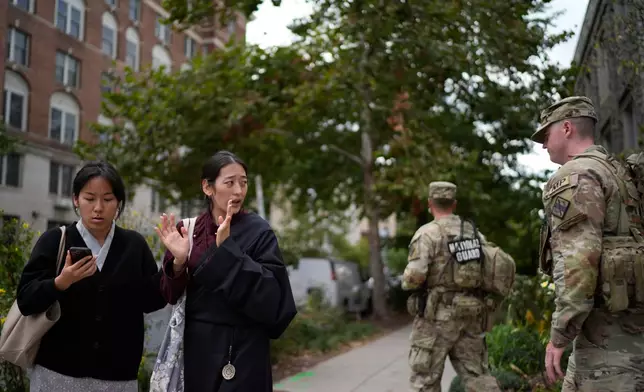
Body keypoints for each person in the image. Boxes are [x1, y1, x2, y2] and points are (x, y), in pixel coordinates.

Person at [16, 161, 167, 392]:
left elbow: (152, 300)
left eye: (107, 199)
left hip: (117, 376)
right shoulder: (56, 240)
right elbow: (26, 300)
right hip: (57, 374)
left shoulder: (134, 245)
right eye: (89, 198)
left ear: (118, 202)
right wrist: (60, 283)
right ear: (76, 199)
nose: (98, 207)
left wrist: (175, 264)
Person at [157, 150, 297, 392]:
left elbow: (274, 299)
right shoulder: (187, 231)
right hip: (198, 351)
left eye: (243, 183)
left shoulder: (259, 232)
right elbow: (168, 295)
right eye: (230, 183)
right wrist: (178, 262)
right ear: (207, 187)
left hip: (246, 351)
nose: (238, 191)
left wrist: (227, 250)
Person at [533, 96, 644, 391]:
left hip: (607, 338)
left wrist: (559, 334)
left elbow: (578, 263)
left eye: (546, 135)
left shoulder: (575, 175)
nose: (543, 144)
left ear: (566, 128)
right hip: (626, 327)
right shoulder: (618, 171)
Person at [402, 181, 502, 392]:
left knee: (425, 381)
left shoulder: (428, 233)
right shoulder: (474, 233)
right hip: (471, 315)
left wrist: (407, 283)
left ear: (430, 203)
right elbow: (490, 271)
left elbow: (415, 276)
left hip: (435, 318)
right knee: (478, 376)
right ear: (454, 204)